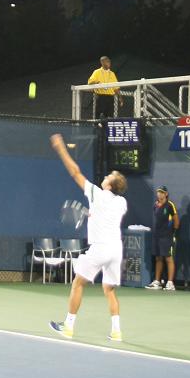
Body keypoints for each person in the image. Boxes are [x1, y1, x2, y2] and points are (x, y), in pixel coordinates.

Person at [48, 132, 127, 342]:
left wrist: (60, 148)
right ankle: (117, 331)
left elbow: (75, 172)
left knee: (77, 284)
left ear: (110, 185)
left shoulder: (96, 193)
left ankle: (68, 326)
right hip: (115, 250)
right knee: (108, 289)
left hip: (100, 248)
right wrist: (94, 215)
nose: (106, 176)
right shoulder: (122, 202)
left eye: (109, 176)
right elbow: (107, 215)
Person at [145, 186, 179, 291]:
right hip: (157, 236)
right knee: (158, 258)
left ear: (166, 194)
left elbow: (176, 221)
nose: (159, 194)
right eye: (158, 192)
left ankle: (170, 283)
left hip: (167, 236)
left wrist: (172, 233)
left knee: (168, 258)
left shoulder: (170, 205)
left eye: (162, 192)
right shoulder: (155, 205)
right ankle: (157, 282)